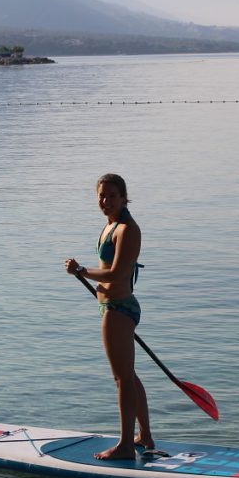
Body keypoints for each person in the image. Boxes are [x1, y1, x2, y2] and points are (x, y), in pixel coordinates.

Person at [65, 173, 153, 460]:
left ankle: (126, 445)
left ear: (124, 197)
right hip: (111, 307)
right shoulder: (111, 225)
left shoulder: (127, 229)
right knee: (129, 376)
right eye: (101, 196)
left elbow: (116, 273)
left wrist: (81, 271)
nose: (105, 201)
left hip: (119, 309)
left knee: (121, 379)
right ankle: (145, 436)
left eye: (112, 196)